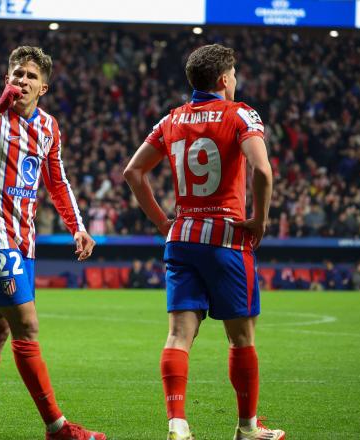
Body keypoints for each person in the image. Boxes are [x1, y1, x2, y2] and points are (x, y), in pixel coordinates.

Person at [124, 44, 284, 440]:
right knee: (241, 337)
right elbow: (262, 171)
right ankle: (247, 427)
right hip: (227, 239)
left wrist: (164, 222)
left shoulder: (171, 119)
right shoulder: (241, 114)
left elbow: (133, 172)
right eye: (233, 74)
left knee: (179, 334)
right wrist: (259, 221)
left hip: (182, 238)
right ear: (224, 80)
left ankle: (177, 424)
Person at [0, 46, 102, 440]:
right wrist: (0, 106)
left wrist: (78, 227)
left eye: (30, 76)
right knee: (27, 327)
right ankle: (57, 427)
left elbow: (57, 179)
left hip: (24, 241)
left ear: (43, 87)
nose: (22, 81)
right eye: (17, 74)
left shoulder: (49, 127)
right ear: (6, 80)